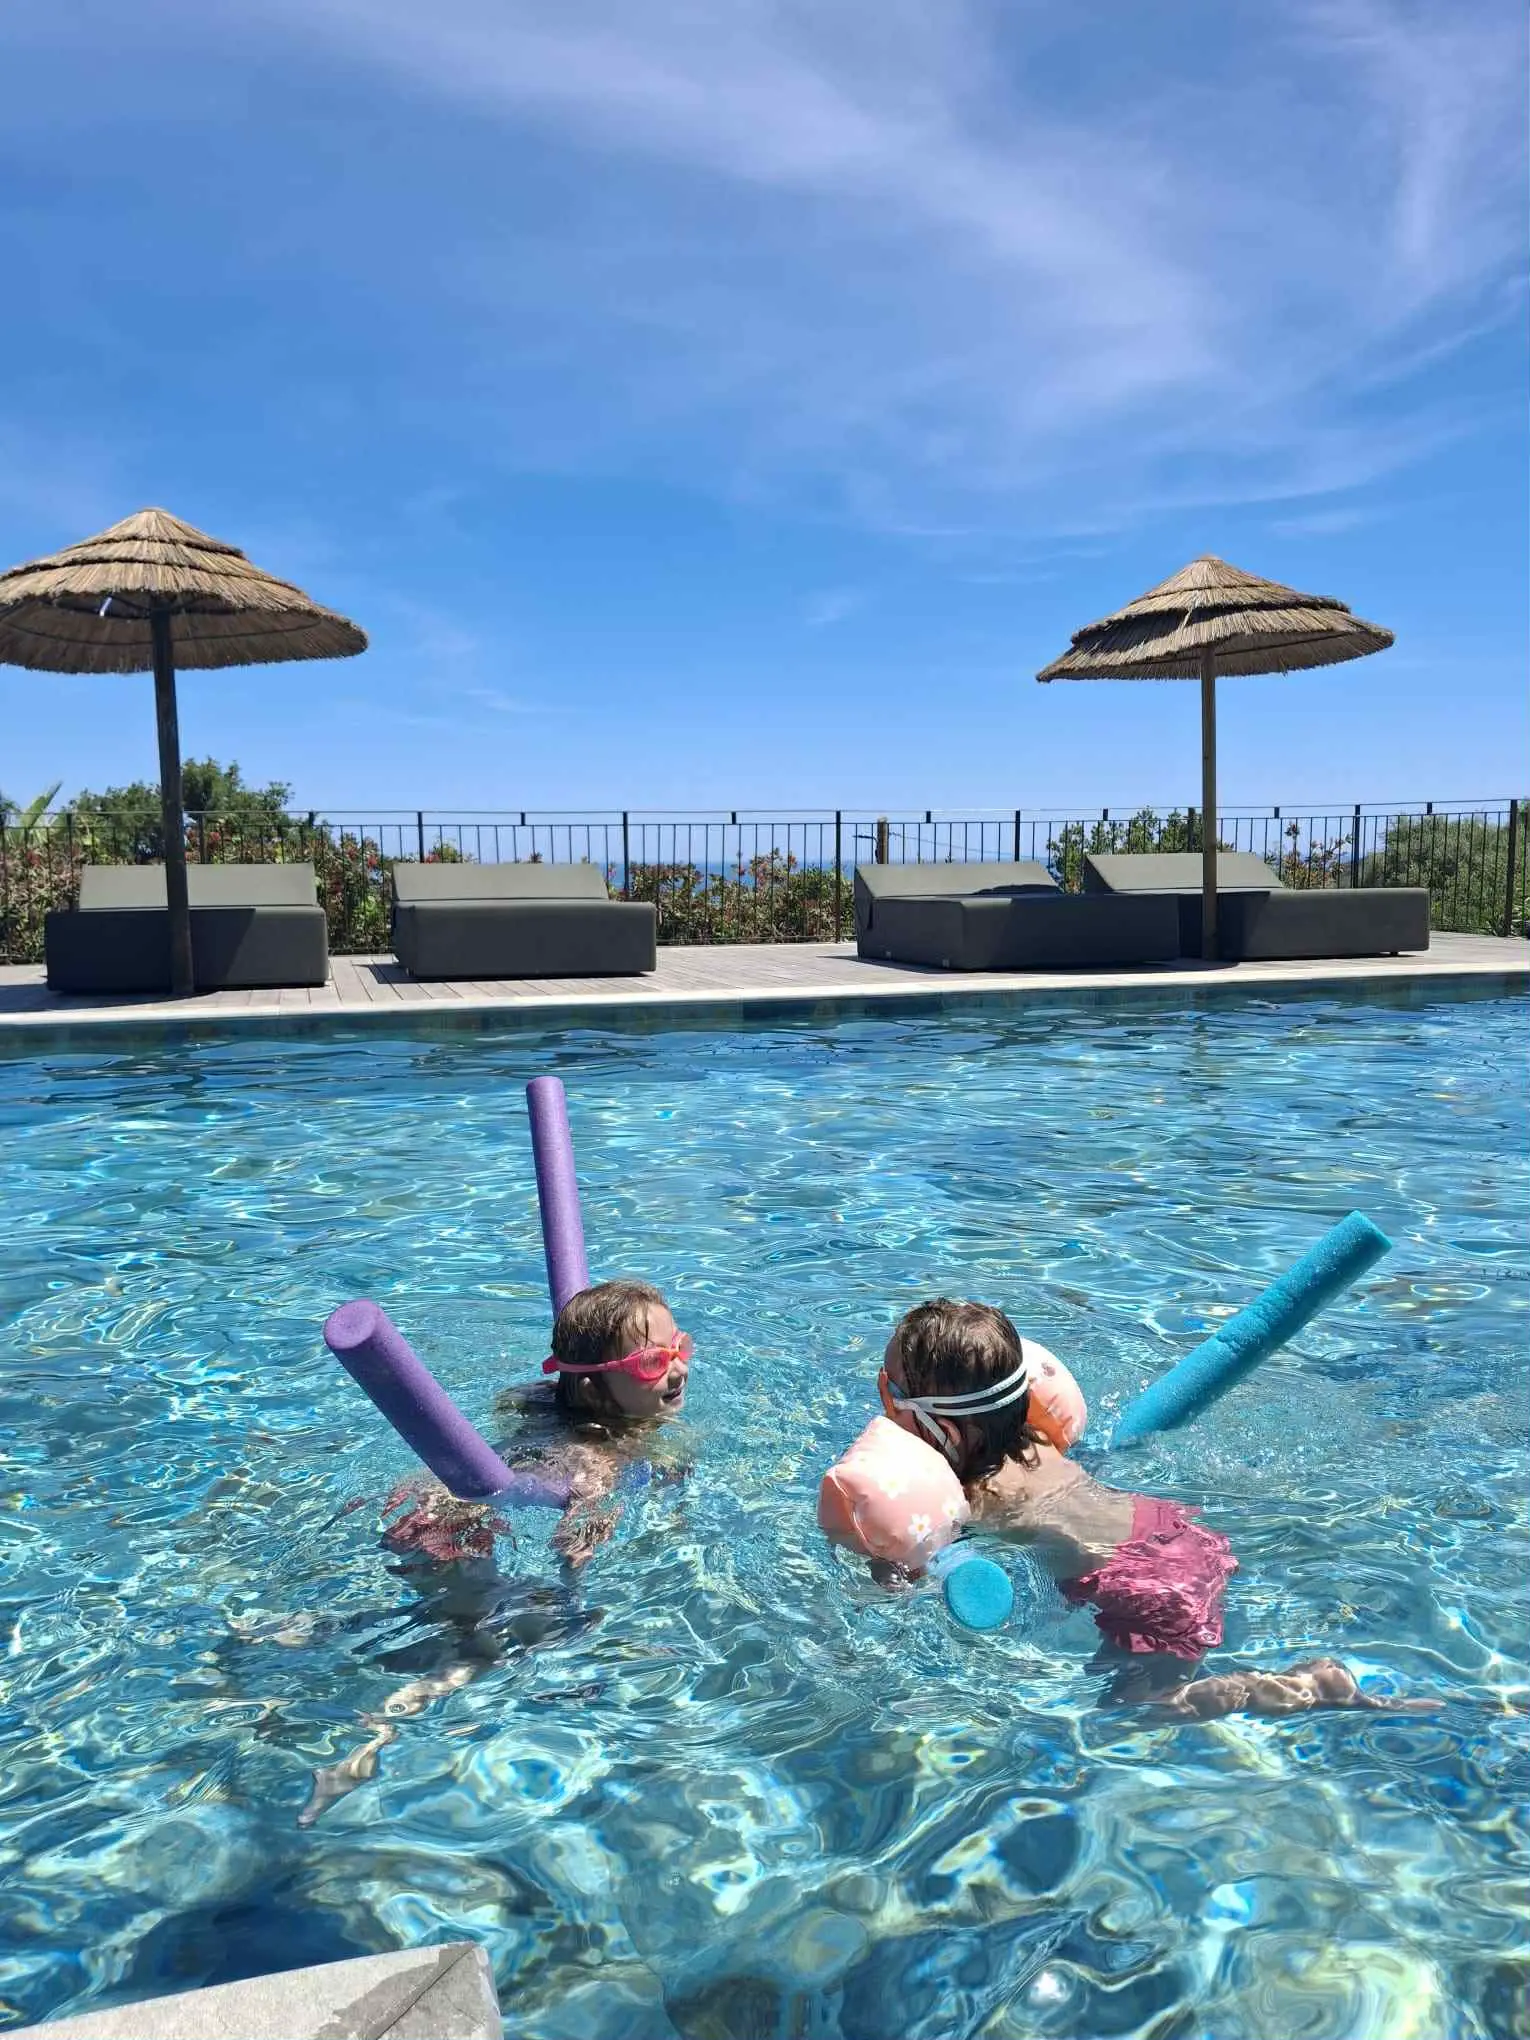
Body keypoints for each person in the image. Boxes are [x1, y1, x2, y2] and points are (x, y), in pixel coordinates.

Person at [877, 1298, 1433, 1721]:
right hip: (1171, 1530)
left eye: (891, 1394)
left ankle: (1304, 1686)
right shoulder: (1036, 1438)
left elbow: (920, 1563)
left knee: (1138, 1710)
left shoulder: (965, 1491)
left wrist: (892, 1572)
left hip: (1140, 1587)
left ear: (939, 1425)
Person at [299, 1280, 692, 1822]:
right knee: (485, 1648)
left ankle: (299, 1632)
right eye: (652, 1362)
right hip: (453, 1532)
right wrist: (577, 1576)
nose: (677, 1368)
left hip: (427, 1508)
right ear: (598, 1391)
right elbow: (574, 1540)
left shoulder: (547, 1403)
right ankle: (370, 1741)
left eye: (679, 1348)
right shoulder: (600, 1458)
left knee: (445, 1616)